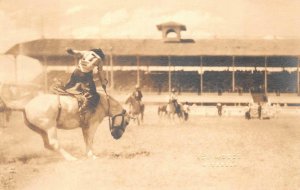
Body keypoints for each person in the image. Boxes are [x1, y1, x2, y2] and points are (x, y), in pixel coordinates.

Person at [63, 48, 107, 126]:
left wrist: (70, 51)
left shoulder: (87, 52)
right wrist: (103, 82)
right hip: (85, 75)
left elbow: (76, 52)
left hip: (76, 72)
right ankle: (84, 112)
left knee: (67, 88)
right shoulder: (99, 59)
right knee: (94, 95)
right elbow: (100, 73)